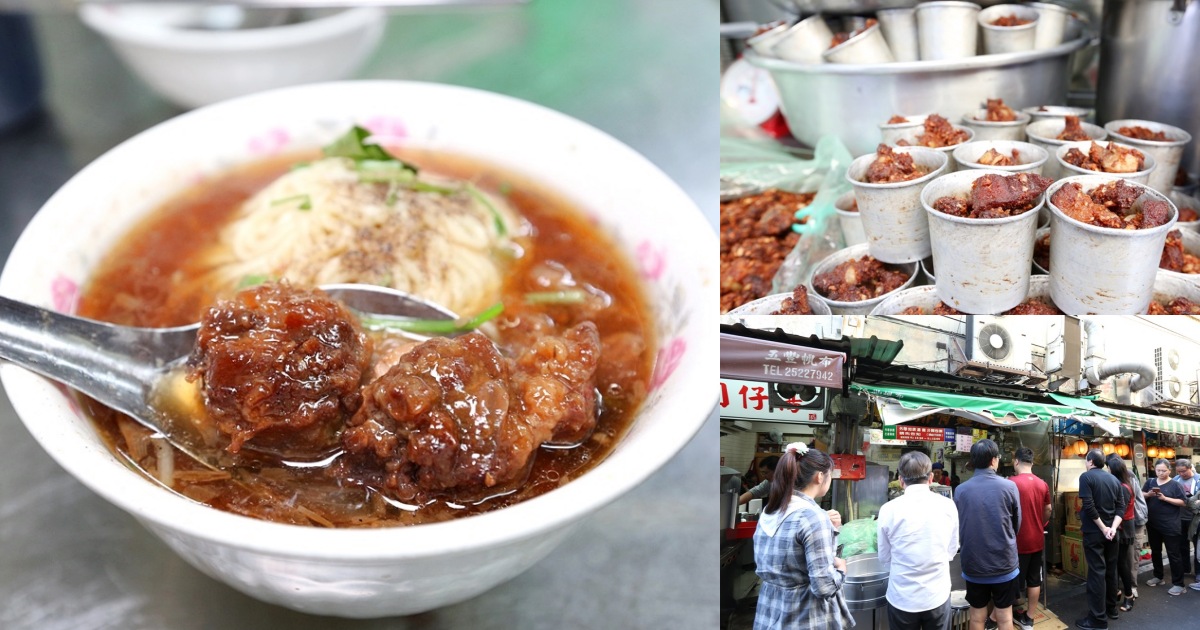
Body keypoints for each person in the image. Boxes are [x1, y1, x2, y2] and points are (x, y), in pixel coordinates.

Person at [752, 443, 854, 630]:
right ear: (820, 476)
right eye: (830, 475)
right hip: (804, 616)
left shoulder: (771, 509)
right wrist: (841, 570)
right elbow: (824, 587)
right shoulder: (812, 517)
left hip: (769, 611)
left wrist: (830, 528)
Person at [878, 451, 960, 630]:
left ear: (901, 480)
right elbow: (952, 550)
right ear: (931, 478)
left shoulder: (887, 509)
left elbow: (884, 557)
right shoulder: (948, 505)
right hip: (936, 594)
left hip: (902, 597)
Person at [954, 439, 1020, 630]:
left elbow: (960, 525)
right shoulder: (1009, 487)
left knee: (976, 617)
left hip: (974, 563)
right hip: (1004, 561)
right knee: (1005, 617)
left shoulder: (960, 490)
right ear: (993, 460)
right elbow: (1017, 524)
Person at [1075, 449, 1125, 630]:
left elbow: (1088, 505)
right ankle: (1111, 609)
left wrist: (1103, 528)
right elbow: (1121, 507)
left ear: (1090, 461)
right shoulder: (1114, 479)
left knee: (1097, 573)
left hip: (1095, 532)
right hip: (1113, 533)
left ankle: (1098, 619)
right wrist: (1111, 528)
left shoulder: (1086, 477)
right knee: (1111, 571)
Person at [1007, 447, 1050, 630]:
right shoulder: (1042, 483)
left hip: (1017, 542)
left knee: (1012, 582)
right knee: (1034, 579)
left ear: (1016, 461)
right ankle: (1029, 619)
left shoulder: (1010, 483)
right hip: (1037, 539)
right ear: (1032, 463)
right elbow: (1048, 509)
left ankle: (1003, 618)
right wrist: (1040, 524)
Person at [1142, 458, 1187, 595]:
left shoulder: (1175, 485)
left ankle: (1179, 584)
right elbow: (1141, 495)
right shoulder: (1150, 482)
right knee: (1155, 551)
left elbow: (1183, 502)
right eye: (1158, 470)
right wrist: (1148, 494)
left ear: (1169, 470)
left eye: (1163, 470)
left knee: (1173, 554)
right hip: (1153, 523)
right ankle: (1158, 576)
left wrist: (1165, 498)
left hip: (1170, 525)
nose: (1160, 473)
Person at [1105, 455, 1137, 613]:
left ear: (1113, 469)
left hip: (1124, 527)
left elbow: (1120, 510)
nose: (1107, 470)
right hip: (1122, 526)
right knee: (1117, 561)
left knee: (1122, 563)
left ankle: (1129, 595)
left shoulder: (1123, 487)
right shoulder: (1122, 483)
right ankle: (1116, 591)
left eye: (1108, 468)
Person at [1172, 459, 1199, 584]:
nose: (1182, 474)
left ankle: (1198, 573)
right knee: (1182, 544)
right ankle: (1186, 568)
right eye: (1179, 471)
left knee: (1197, 546)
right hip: (1180, 517)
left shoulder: (1198, 480)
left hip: (1195, 518)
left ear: (1190, 468)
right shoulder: (1175, 480)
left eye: (1184, 471)